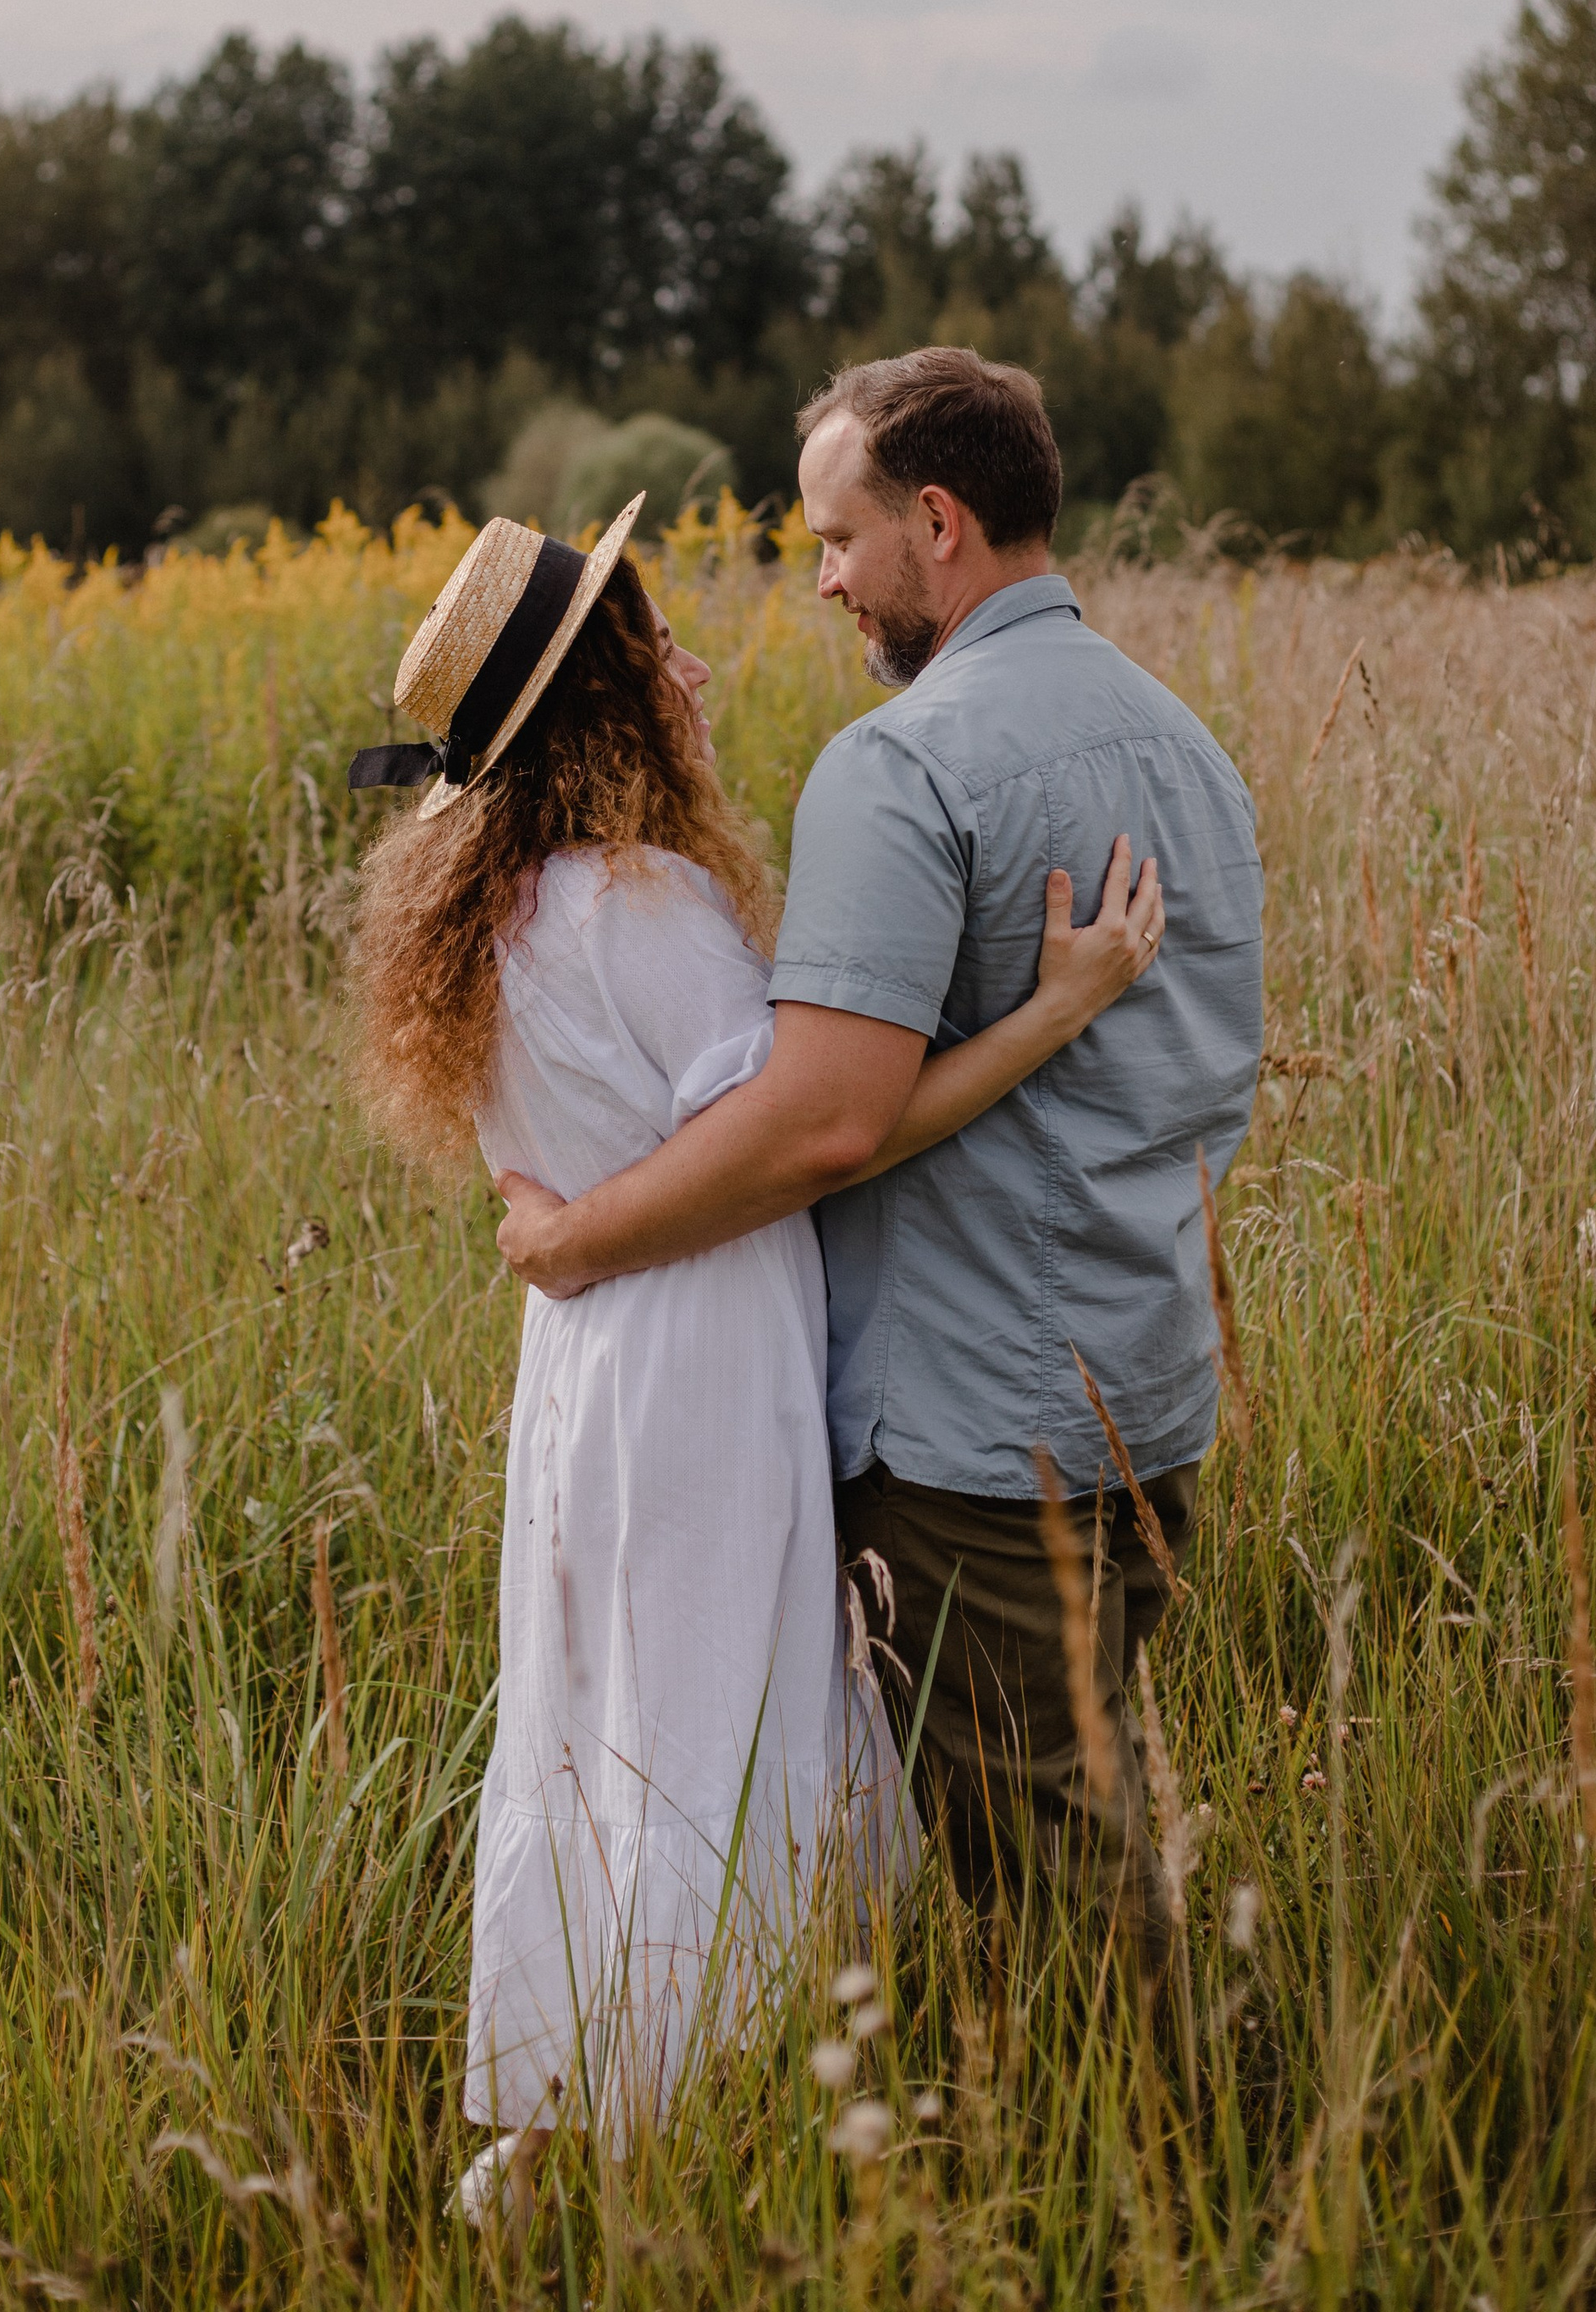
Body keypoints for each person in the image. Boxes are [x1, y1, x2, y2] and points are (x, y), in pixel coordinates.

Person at [345, 485, 1166, 2227]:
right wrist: (1058, 1004)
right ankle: (681, 2119)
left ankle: (578, 2109)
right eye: (654, 645)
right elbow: (817, 1136)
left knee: (610, 1706)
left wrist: (558, 1230)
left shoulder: (488, 912)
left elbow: (529, 1172)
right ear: (606, 699)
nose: (694, 665)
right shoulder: (638, 899)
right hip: (700, 1348)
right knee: (722, 1706)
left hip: (586, 1366)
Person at [495, 350, 1265, 1972]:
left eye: (838, 540)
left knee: (1066, 1873)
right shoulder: (1188, 745)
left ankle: (1209, 2184)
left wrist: (572, 1246)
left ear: (938, 520)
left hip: (972, 1431)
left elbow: (822, 1120)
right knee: (1086, 1809)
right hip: (1151, 1384)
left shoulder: (902, 762)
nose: (825, 579)